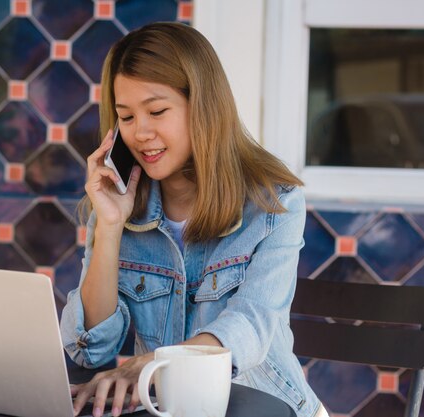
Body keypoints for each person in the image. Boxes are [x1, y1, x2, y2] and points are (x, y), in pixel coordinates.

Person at [60, 22, 327, 417]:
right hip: (164, 409)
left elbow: (251, 324)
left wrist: (151, 365)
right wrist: (111, 227)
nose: (140, 133)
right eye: (127, 117)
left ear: (203, 107)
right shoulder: (120, 205)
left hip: (267, 408)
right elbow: (90, 348)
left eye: (156, 111)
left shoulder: (274, 203)